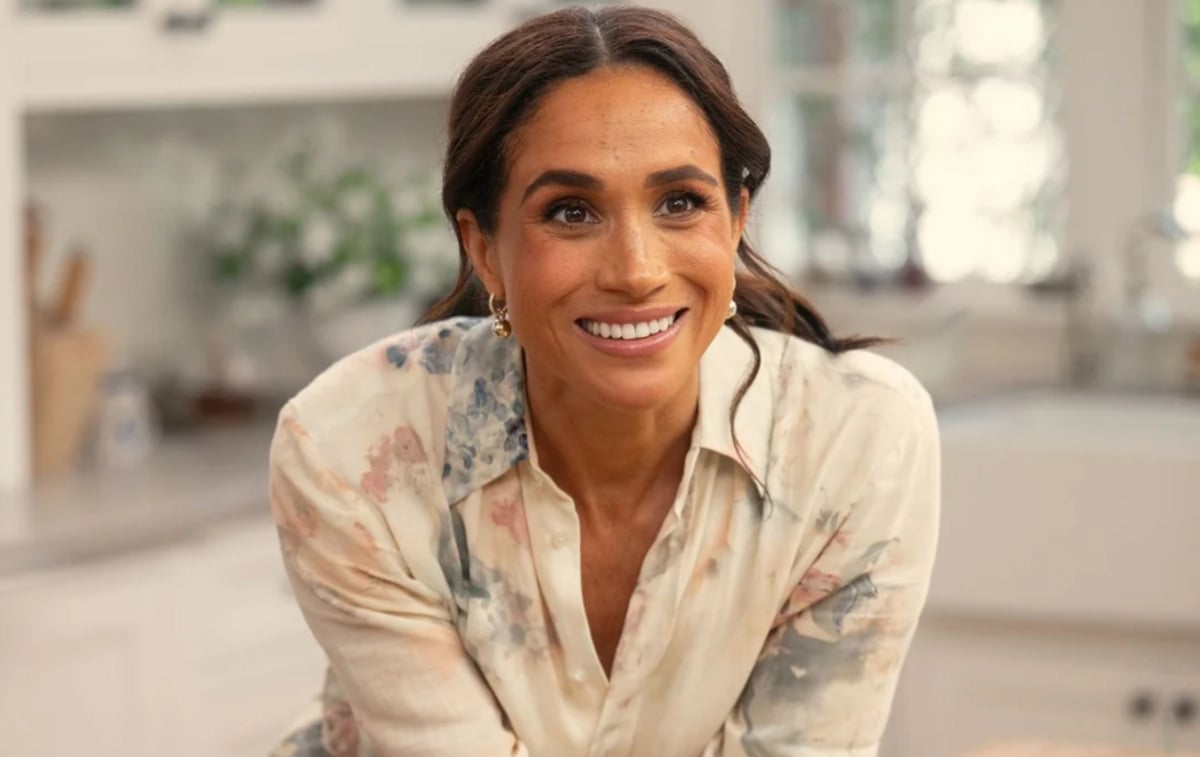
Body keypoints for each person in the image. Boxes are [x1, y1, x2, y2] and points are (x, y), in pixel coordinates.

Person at [267, 5, 940, 756]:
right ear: (484, 248)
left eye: (680, 202)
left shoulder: (854, 440)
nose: (637, 270)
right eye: (571, 211)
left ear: (737, 218)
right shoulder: (352, 447)